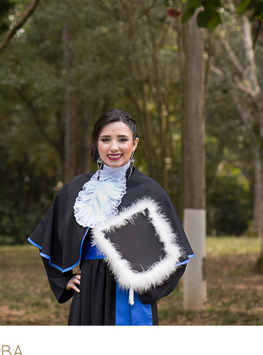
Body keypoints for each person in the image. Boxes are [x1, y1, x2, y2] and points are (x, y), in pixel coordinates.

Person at [28, 108, 193, 325]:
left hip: (129, 296)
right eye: (105, 139)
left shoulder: (150, 191)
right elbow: (48, 239)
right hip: (87, 292)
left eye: (122, 139)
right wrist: (63, 280)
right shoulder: (76, 189)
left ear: (134, 144)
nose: (114, 147)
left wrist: (146, 287)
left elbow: (178, 255)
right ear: (97, 144)